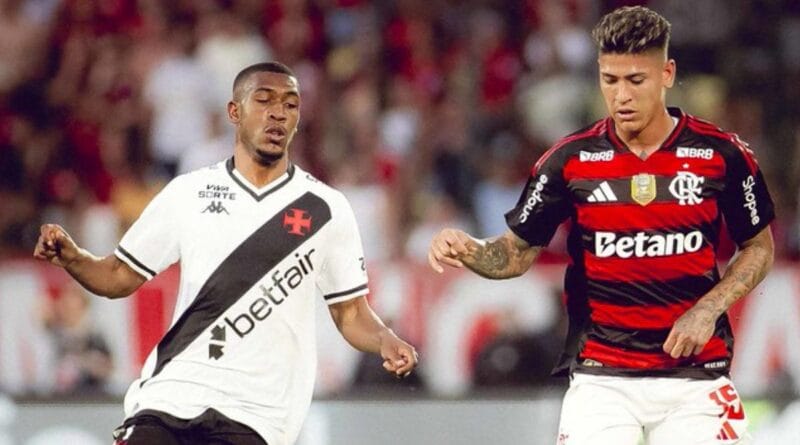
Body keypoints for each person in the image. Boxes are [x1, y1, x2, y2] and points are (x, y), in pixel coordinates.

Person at [428, 6, 774, 445]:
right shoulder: (569, 161)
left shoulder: (722, 154)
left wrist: (709, 308)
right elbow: (515, 253)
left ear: (667, 74)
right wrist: (469, 249)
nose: (621, 96)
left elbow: (759, 247)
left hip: (695, 377)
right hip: (603, 379)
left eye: (636, 80)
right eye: (610, 80)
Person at [34, 61, 418, 445]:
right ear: (235, 112)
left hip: (255, 412)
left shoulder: (325, 208)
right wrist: (72, 256)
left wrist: (385, 338)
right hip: (172, 393)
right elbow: (117, 276)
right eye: (264, 100)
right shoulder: (190, 192)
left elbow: (350, 312)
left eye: (290, 104)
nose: (278, 113)